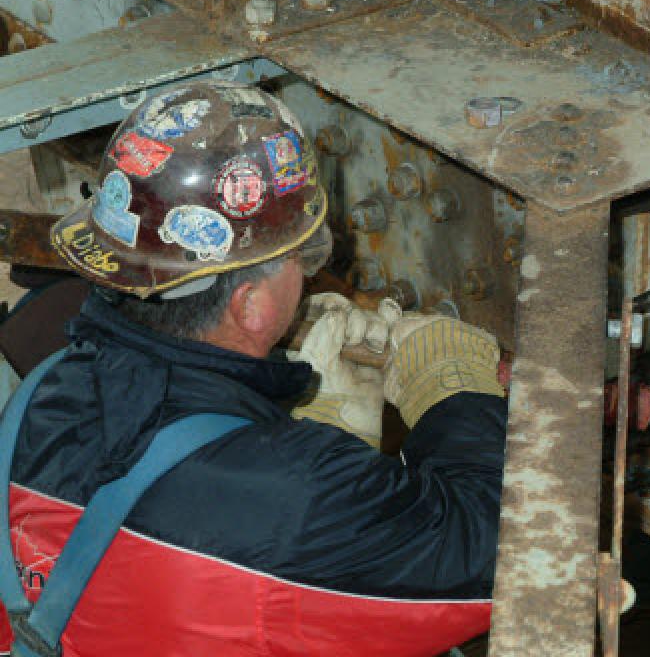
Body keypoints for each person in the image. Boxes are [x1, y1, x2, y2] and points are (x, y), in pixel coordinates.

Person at [0, 83, 507, 657]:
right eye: (301, 258)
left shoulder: (38, 398)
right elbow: (498, 560)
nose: (310, 275)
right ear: (251, 305)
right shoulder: (299, 495)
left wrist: (291, 428)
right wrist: (453, 392)